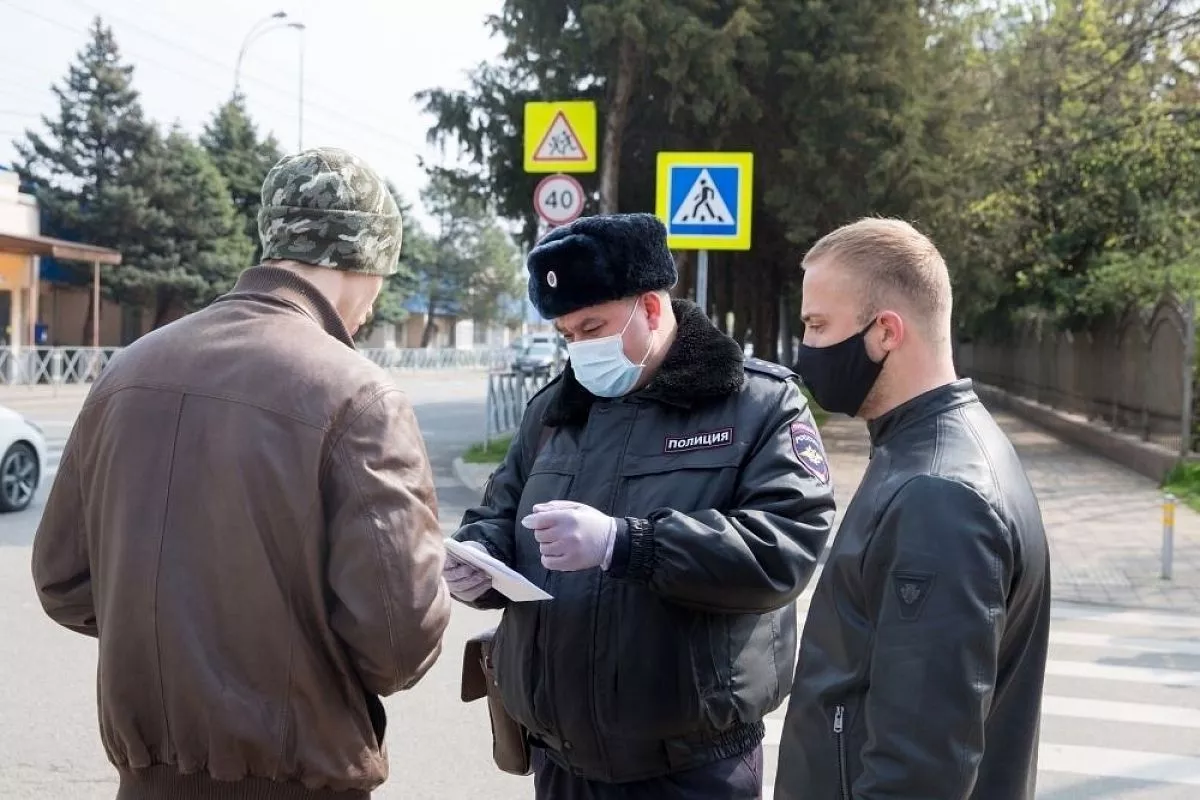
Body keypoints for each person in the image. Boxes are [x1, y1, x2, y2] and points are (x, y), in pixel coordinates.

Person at [31, 147, 451, 800]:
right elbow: (397, 640)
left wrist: (174, 637)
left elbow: (62, 580)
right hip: (297, 780)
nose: (372, 307)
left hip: (144, 779)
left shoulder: (126, 371)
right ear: (366, 257)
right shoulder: (359, 395)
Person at [446, 212, 836, 798]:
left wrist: (628, 544)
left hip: (692, 768)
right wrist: (478, 561)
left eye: (592, 326)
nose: (580, 349)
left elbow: (782, 550)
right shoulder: (552, 412)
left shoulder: (757, 404)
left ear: (651, 308)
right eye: (567, 335)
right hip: (562, 763)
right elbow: (499, 515)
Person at [775, 218, 1051, 800]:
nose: (807, 349)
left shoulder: (939, 493)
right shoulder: (929, 453)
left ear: (885, 332)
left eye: (818, 325)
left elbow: (919, 770)